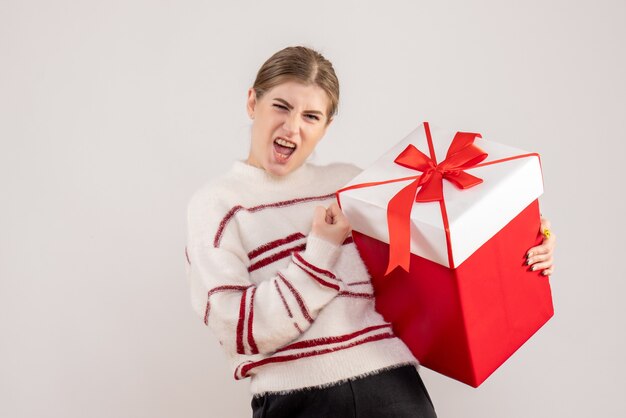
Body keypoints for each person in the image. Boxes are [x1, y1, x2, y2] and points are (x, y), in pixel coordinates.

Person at [184, 45, 556, 418]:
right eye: (281, 106)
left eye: (311, 116)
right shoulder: (216, 206)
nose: (292, 126)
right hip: (297, 401)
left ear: (326, 127)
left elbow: (426, 276)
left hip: (393, 390)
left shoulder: (350, 185)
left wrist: (518, 253)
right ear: (253, 102)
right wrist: (320, 254)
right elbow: (239, 330)